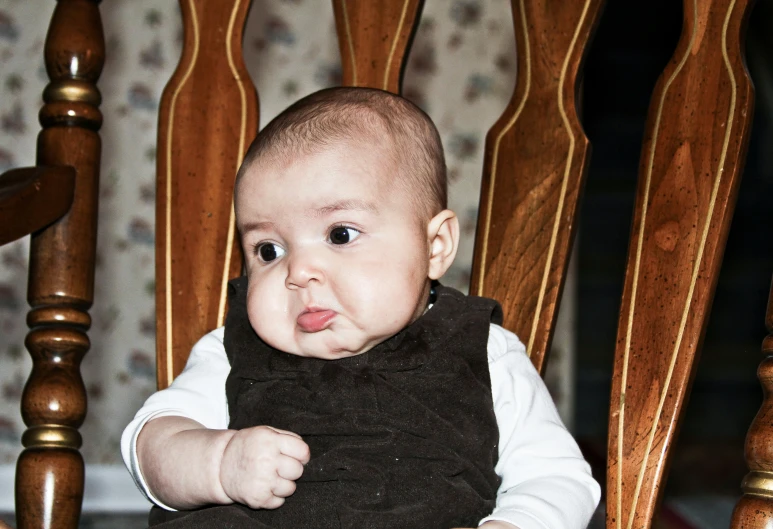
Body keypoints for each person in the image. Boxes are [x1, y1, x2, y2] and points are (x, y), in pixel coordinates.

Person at [122, 87, 600, 529]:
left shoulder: (484, 352)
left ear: (434, 246)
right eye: (268, 250)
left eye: (340, 234)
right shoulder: (231, 350)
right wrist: (218, 462)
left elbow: (557, 478)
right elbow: (149, 445)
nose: (299, 272)